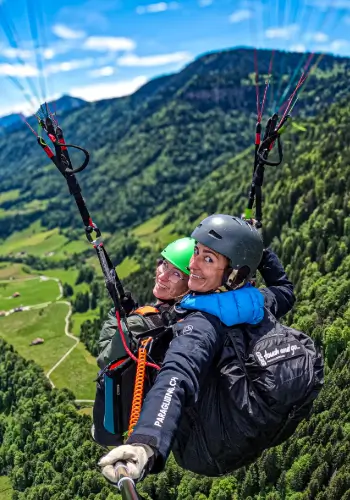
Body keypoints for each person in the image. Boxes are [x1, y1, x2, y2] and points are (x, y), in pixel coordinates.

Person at [98, 214, 323, 481]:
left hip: (208, 451)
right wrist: (256, 251)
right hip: (260, 425)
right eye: (196, 252)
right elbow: (284, 290)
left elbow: (177, 374)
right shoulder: (258, 301)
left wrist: (145, 442)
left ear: (235, 273)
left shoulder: (201, 323)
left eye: (208, 259)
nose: (193, 265)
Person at [93, 234, 264, 446]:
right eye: (164, 265)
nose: (162, 276)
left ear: (191, 283)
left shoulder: (144, 323)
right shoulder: (204, 312)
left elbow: (105, 357)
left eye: (176, 274)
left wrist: (118, 316)